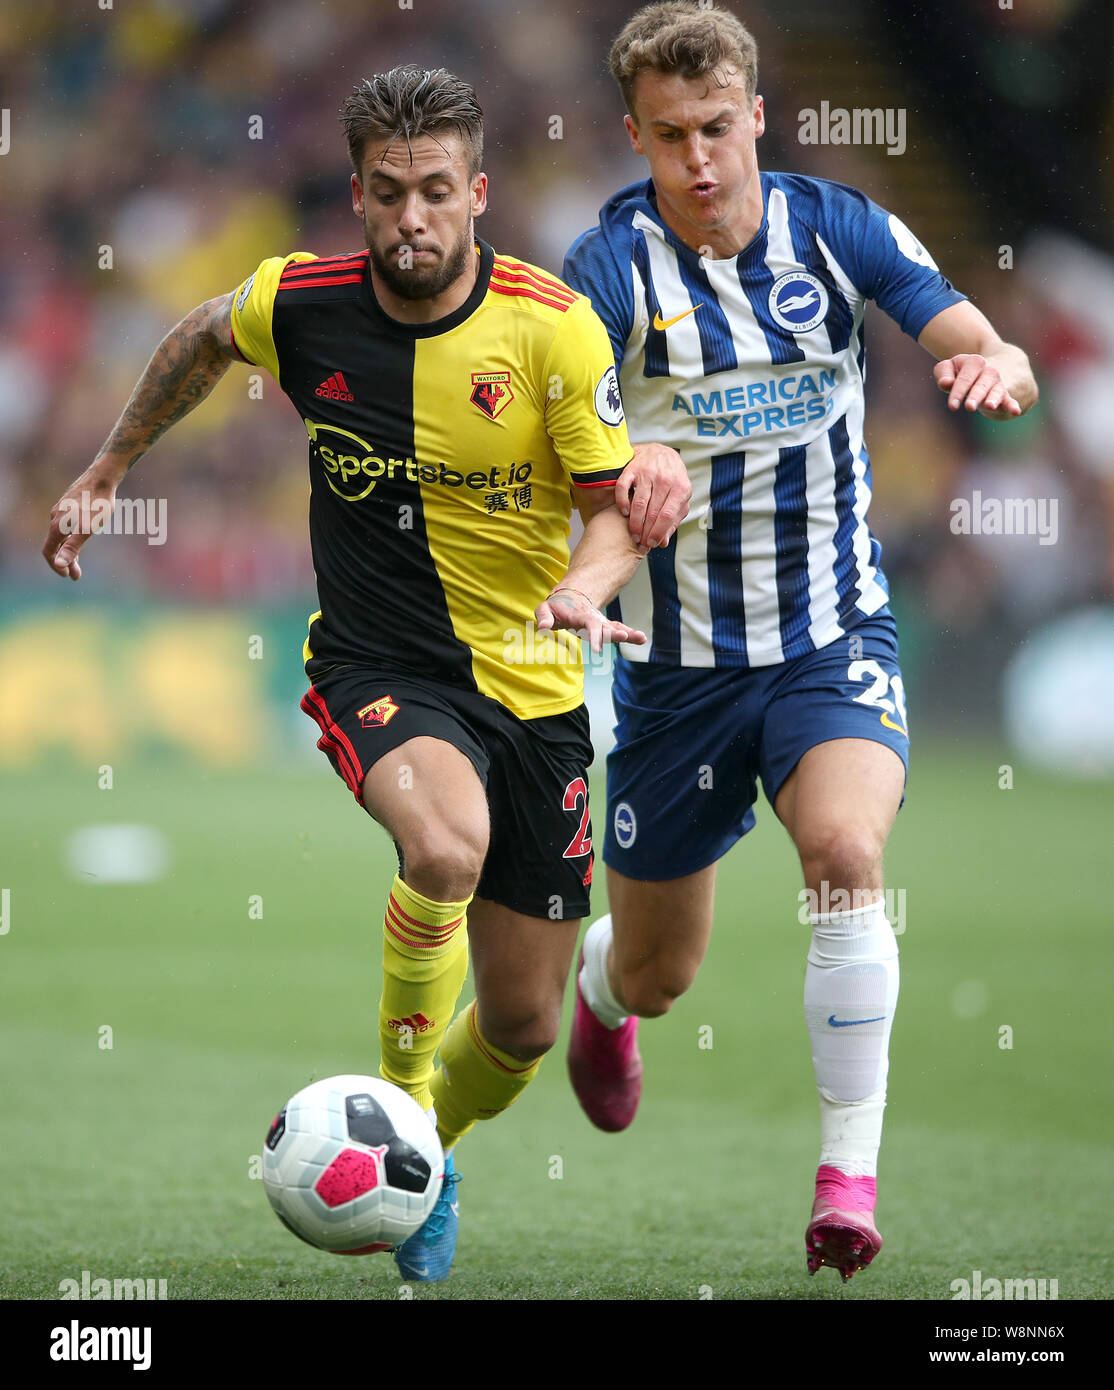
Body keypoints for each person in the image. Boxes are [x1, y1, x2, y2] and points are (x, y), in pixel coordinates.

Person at [42, 63, 690, 1284]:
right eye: (387, 193)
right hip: (377, 662)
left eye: (436, 192)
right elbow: (194, 337)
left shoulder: (550, 327)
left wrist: (581, 590)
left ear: (477, 192)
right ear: (355, 195)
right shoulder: (300, 302)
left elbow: (616, 512)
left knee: (515, 1029)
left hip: (539, 691)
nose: (411, 218)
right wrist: (108, 468)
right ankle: (401, 1127)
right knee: (441, 847)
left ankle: (427, 1144)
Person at [561, 2, 1038, 1280]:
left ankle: (846, 1178)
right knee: (663, 970)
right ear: (637, 137)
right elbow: (569, 459)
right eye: (670, 137)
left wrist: (992, 364)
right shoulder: (604, 273)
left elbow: (962, 326)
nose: (700, 159)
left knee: (844, 847)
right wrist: (616, 484)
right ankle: (603, 996)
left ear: (756, 115)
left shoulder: (835, 229)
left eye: (717, 127)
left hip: (831, 635)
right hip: (674, 674)